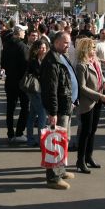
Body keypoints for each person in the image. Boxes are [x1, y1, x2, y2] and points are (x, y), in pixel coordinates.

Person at [40, 32, 78, 190]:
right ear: (55, 42)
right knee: (55, 142)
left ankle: (61, 170)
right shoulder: (51, 61)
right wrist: (53, 112)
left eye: (69, 43)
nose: (68, 45)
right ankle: (53, 177)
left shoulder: (62, 56)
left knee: (64, 140)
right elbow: (51, 90)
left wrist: (74, 99)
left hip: (67, 105)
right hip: (59, 108)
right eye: (65, 43)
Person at [75, 38, 105, 174]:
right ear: (85, 49)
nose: (94, 50)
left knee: (93, 130)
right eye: (92, 48)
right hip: (87, 102)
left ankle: (89, 157)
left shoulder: (95, 61)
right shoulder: (81, 65)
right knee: (85, 131)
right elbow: (82, 87)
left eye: (95, 48)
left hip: (97, 100)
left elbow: (100, 76)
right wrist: (99, 96)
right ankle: (80, 160)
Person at [1, 24, 30, 142]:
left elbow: (3, 63)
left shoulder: (6, 45)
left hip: (10, 81)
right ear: (18, 32)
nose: (25, 33)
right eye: (23, 31)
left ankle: (10, 132)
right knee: (25, 107)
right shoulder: (22, 47)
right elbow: (26, 65)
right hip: (21, 82)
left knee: (10, 108)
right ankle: (19, 132)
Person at [26, 39, 49, 146]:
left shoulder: (43, 59)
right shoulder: (33, 60)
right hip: (35, 90)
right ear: (37, 49)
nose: (43, 50)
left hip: (37, 90)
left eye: (45, 48)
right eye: (41, 48)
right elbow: (39, 73)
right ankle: (41, 141)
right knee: (42, 114)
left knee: (32, 114)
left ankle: (30, 139)